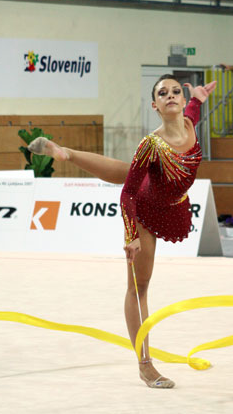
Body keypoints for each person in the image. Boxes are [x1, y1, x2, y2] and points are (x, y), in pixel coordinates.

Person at [28, 75, 216, 389]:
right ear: (155, 106)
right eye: (162, 93)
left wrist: (198, 98)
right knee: (139, 287)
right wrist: (131, 235)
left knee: (131, 172)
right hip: (144, 209)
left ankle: (68, 154)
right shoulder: (150, 144)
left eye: (175, 92)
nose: (170, 96)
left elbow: (194, 110)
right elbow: (128, 193)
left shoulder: (190, 123)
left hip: (169, 201)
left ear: (182, 102)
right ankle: (145, 365)